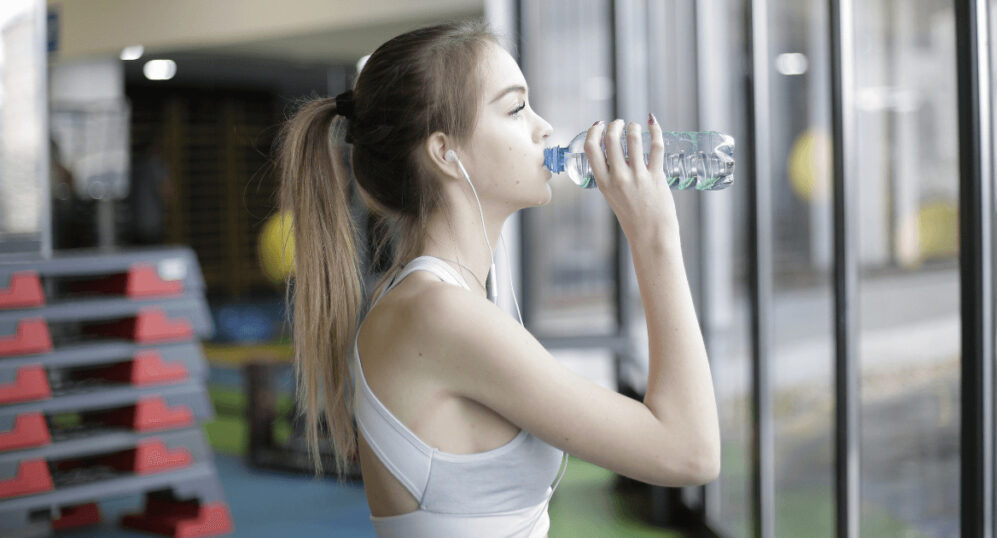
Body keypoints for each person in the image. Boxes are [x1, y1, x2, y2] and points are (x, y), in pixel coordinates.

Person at [276, 20, 719, 537]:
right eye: (515, 108)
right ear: (446, 152)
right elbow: (690, 452)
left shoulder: (438, 300)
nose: (545, 126)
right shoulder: (437, 313)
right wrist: (655, 237)